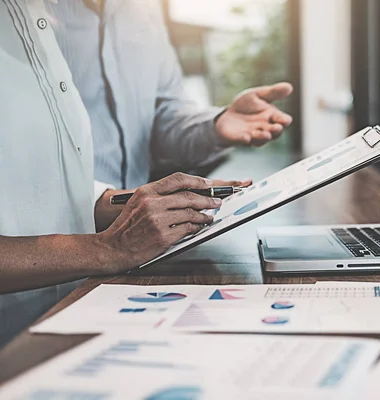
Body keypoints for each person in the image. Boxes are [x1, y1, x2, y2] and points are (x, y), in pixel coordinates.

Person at [0, 0, 247, 348]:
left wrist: (133, 203)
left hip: (75, 308)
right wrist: (108, 248)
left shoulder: (33, 17)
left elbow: (48, 172)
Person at [45, 0, 294, 231]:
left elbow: (163, 114)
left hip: (142, 236)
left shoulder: (146, 9)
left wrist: (214, 126)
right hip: (54, 241)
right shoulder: (27, 14)